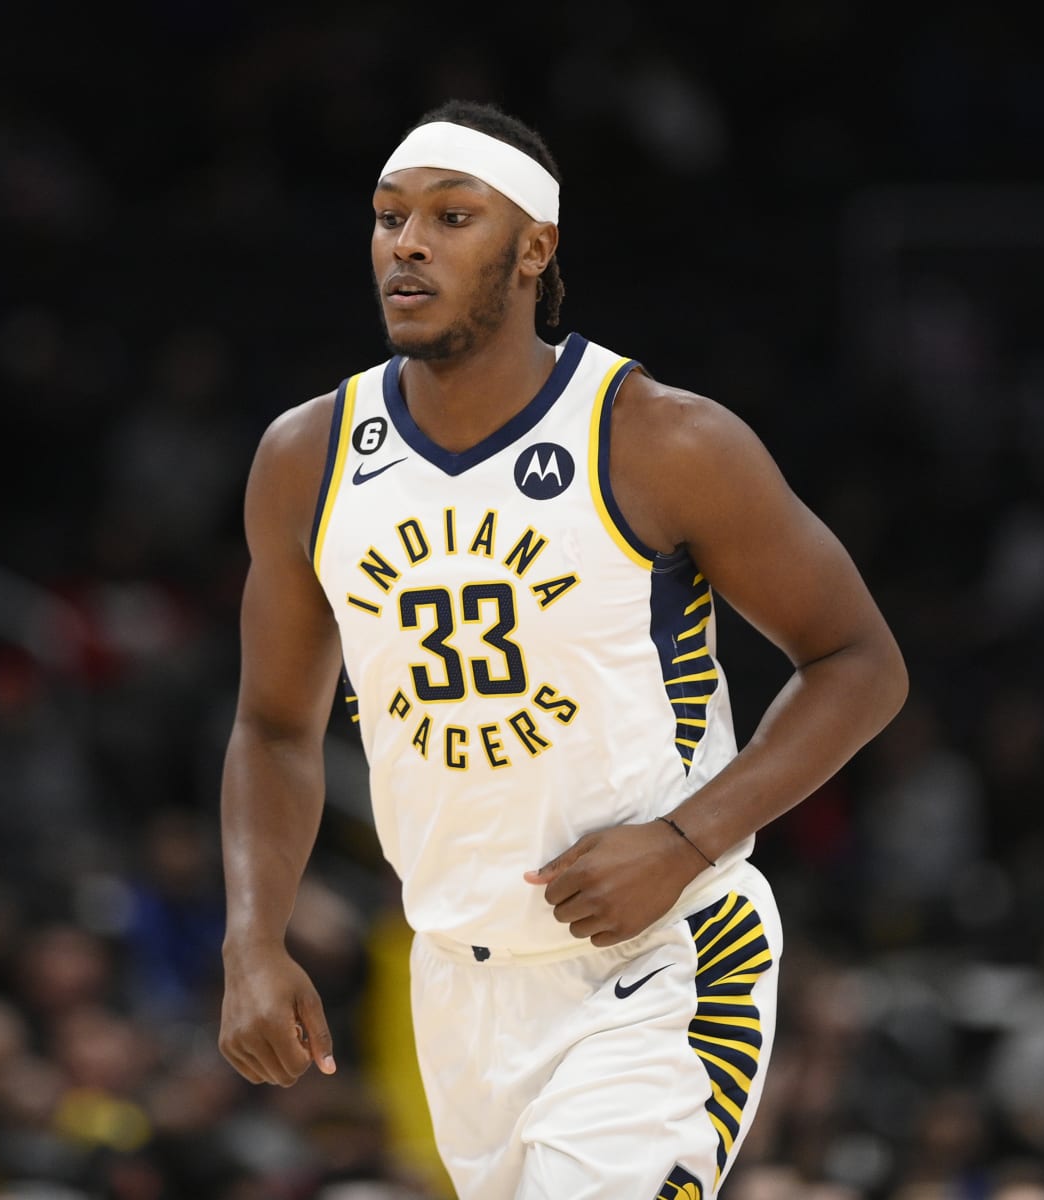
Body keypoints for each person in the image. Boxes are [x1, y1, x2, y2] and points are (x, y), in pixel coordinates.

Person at [218, 99, 907, 1200]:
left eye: (452, 217)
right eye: (391, 217)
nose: (407, 243)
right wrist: (252, 935)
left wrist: (688, 838)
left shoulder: (662, 438)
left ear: (535, 246)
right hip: (458, 984)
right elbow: (272, 725)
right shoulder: (307, 458)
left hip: (666, 954)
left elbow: (861, 663)